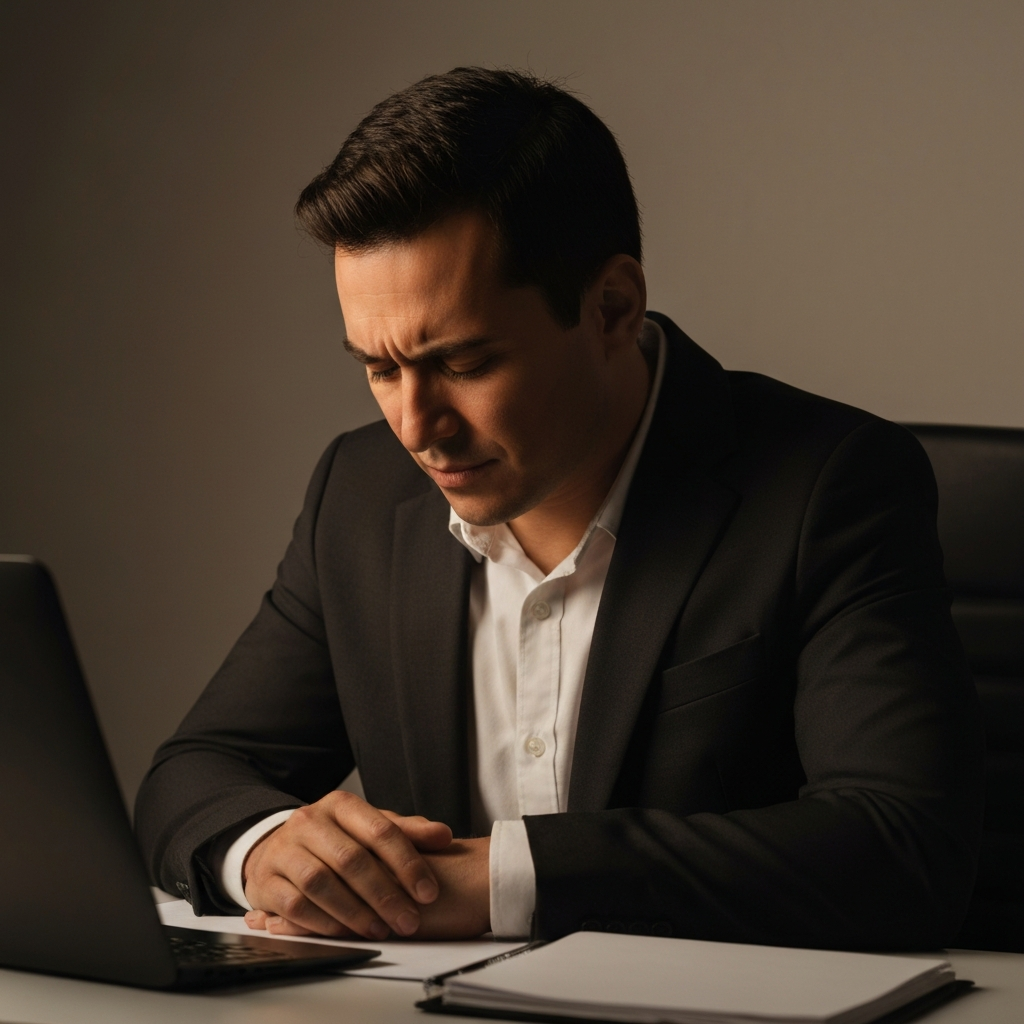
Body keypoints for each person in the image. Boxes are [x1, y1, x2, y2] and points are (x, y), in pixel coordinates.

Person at [135, 67, 984, 949]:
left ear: (612, 308)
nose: (415, 427)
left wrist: (510, 880)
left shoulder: (830, 484)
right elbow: (193, 776)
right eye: (379, 368)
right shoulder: (357, 493)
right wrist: (267, 847)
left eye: (462, 363)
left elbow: (902, 848)